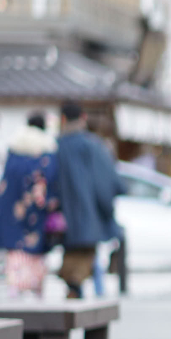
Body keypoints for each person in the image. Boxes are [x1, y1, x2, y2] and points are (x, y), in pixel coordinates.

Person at [53, 102, 122, 299]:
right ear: (83, 117)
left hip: (63, 220)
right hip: (90, 217)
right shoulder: (93, 145)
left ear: (63, 119)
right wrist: (107, 211)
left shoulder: (57, 147)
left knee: (73, 258)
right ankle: (86, 291)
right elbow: (107, 184)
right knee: (86, 258)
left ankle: (76, 289)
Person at [0, 112, 59, 298]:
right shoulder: (47, 152)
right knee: (35, 250)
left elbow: (4, 182)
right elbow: (49, 183)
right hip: (37, 212)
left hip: (12, 209)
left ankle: (14, 286)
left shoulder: (14, 149)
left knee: (15, 250)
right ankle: (36, 287)